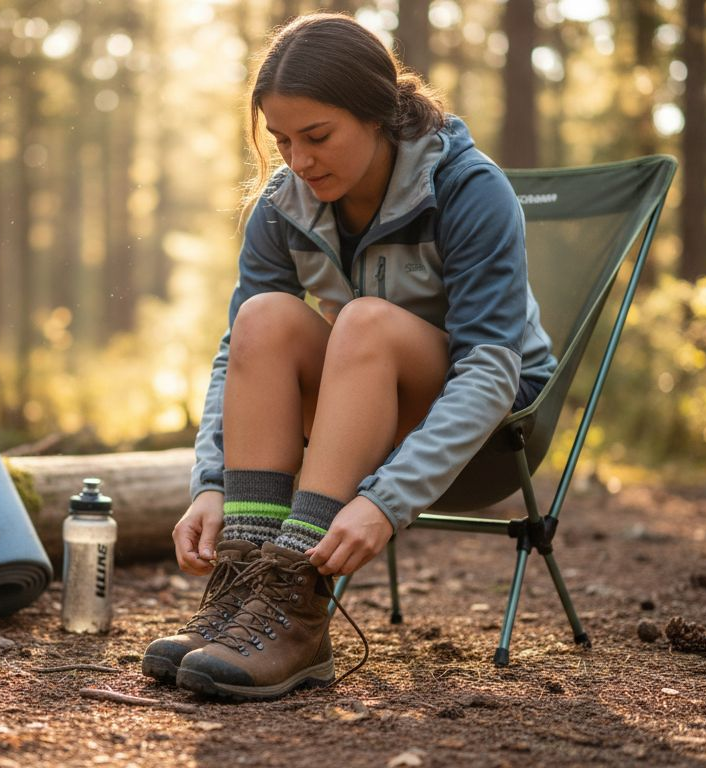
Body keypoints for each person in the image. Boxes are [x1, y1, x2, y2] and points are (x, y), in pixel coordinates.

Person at [142, 12, 556, 701]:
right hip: (359, 410)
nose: (299, 161)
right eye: (281, 140)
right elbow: (236, 358)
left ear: (377, 114)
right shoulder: (284, 205)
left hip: (492, 431)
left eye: (317, 136)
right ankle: (247, 589)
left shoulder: (467, 188)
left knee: (362, 322)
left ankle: (297, 606)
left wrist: (385, 501)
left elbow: (490, 371)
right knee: (261, 318)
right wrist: (210, 483)